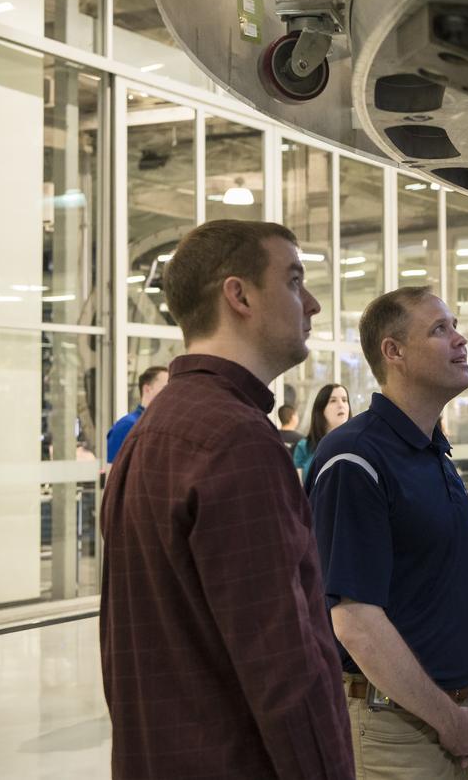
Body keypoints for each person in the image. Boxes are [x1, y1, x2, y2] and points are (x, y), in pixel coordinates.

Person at [99, 220, 354, 779]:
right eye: (292, 280)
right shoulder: (236, 440)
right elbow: (286, 665)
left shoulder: (157, 427)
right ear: (238, 295)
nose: (310, 303)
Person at [307, 286, 468, 778]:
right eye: (440, 329)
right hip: (393, 727)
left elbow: (430, 591)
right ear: (392, 351)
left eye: (455, 325)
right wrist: (446, 718)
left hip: (439, 715)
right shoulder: (355, 457)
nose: (460, 339)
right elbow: (355, 620)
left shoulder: (434, 452)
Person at [104, 365, 168, 468]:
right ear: (147, 389)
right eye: (165, 388)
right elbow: (113, 474)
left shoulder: (164, 426)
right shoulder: (127, 426)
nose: (170, 393)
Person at [293, 383, 350, 479]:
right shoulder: (304, 447)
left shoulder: (358, 444)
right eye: (333, 401)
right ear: (321, 409)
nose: (341, 405)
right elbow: (296, 487)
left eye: (344, 400)